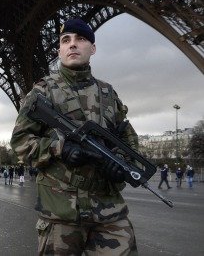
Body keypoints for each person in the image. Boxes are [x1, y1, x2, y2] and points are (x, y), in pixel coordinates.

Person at [11, 18, 140, 255]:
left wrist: (121, 162)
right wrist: (60, 148)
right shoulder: (42, 91)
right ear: (59, 50)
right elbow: (20, 144)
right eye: (65, 40)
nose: (72, 45)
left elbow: (128, 139)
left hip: (109, 209)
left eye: (80, 39)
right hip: (62, 211)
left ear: (92, 48)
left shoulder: (108, 93)